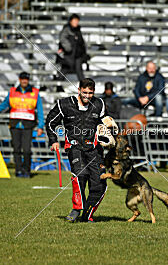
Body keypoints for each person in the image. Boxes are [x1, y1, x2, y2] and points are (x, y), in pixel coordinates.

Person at [46, 78, 116, 223]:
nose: (87, 96)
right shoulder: (64, 104)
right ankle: (77, 209)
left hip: (94, 149)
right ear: (79, 90)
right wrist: (53, 140)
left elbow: (105, 123)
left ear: (94, 92)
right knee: (80, 175)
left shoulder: (99, 104)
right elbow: (51, 122)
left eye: (90, 93)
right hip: (74, 147)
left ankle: (88, 214)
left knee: (99, 184)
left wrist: (110, 127)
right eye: (84, 92)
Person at [0, 72, 44, 178]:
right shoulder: (12, 92)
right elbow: (3, 106)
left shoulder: (35, 92)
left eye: (26, 79)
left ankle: (26, 171)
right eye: (22, 79)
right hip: (15, 124)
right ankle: (18, 170)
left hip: (28, 125)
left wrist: (40, 126)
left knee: (26, 150)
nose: (24, 81)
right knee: (16, 149)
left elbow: (40, 110)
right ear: (19, 80)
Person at [57, 14, 88, 82]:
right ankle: (58, 85)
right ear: (70, 21)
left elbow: (81, 42)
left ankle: (84, 87)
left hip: (77, 55)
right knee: (64, 70)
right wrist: (68, 48)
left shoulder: (78, 31)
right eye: (74, 21)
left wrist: (84, 53)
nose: (76, 22)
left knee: (79, 71)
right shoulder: (67, 29)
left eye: (77, 21)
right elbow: (62, 39)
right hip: (68, 55)